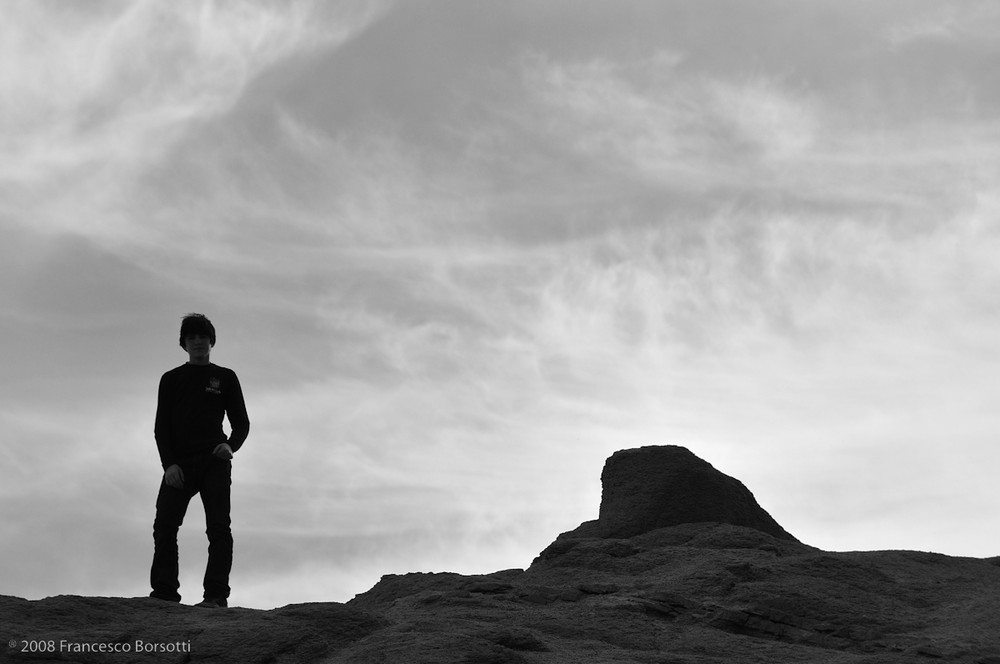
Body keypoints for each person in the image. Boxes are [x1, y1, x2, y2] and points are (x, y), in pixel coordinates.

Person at [149, 313, 250, 608]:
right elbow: (161, 427)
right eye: (191, 337)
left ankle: (216, 596)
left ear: (211, 341)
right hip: (179, 464)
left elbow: (241, 423)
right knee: (164, 526)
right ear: (183, 343)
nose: (197, 342)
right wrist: (169, 465)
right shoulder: (171, 379)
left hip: (213, 462)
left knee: (218, 528)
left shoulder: (226, 377)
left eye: (202, 336)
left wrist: (230, 446)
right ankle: (165, 593)